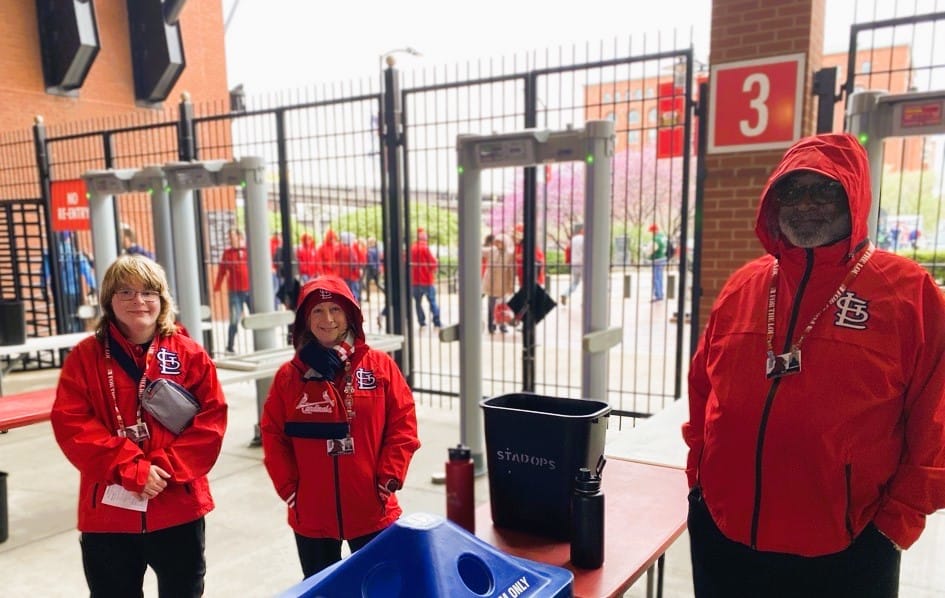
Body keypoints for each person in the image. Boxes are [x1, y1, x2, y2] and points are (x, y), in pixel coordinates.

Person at [683, 133, 945, 598]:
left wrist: (896, 522)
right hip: (723, 536)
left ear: (855, 195)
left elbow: (936, 420)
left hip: (848, 549)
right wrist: (697, 482)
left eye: (825, 189)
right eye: (793, 190)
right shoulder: (743, 285)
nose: (806, 204)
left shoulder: (909, 294)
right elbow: (704, 389)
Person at [50, 254, 228, 597]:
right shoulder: (85, 357)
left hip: (177, 505)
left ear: (162, 300)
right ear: (108, 301)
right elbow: (72, 423)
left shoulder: (189, 354)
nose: (138, 301)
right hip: (109, 511)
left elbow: (211, 423)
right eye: (125, 292)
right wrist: (130, 468)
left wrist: (160, 469)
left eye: (148, 291)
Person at [260, 275, 420, 578]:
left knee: (381, 587)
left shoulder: (380, 366)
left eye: (335, 309)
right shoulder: (289, 376)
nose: (327, 319)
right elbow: (272, 434)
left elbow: (403, 426)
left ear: (350, 315)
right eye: (317, 311)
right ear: (305, 320)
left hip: (373, 507)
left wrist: (387, 480)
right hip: (311, 513)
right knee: (322, 589)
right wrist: (291, 490)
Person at [213, 228, 252, 355]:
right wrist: (217, 287)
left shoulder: (248, 251)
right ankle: (230, 346)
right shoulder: (227, 253)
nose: (230, 239)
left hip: (251, 291)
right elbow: (222, 271)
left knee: (258, 316)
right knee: (234, 319)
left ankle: (262, 343)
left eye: (232, 236)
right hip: (235, 291)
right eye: (229, 237)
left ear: (239, 236)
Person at [409, 228, 442, 328]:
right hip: (427, 280)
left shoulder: (412, 248)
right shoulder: (425, 248)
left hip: (415, 280)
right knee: (432, 301)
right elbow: (433, 263)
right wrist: (436, 263)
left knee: (418, 302)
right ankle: (436, 320)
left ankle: (421, 321)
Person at [482, 234, 515, 334]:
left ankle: (502, 325)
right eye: (497, 242)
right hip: (491, 284)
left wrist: (510, 286)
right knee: (491, 307)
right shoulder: (492, 250)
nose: (497, 244)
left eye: (500, 242)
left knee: (502, 307)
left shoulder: (509, 254)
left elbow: (511, 271)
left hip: (502, 285)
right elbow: (480, 250)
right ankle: (491, 326)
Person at [559, 223, 584, 306]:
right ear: (581, 230)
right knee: (587, 283)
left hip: (574, 264)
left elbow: (567, 251)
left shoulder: (572, 240)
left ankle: (565, 294)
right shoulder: (584, 239)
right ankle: (585, 301)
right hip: (583, 264)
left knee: (575, 283)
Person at [647, 223, 668, 301]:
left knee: (656, 278)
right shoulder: (663, 237)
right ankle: (660, 294)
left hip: (657, 259)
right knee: (660, 277)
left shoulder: (656, 239)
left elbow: (651, 250)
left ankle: (658, 295)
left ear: (654, 231)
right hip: (663, 258)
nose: (651, 234)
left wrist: (646, 253)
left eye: (651, 232)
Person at [362, 237, 383, 303]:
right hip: (377, 268)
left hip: (371, 269)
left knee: (367, 283)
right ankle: (386, 293)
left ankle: (368, 298)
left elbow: (370, 261)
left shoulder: (370, 251)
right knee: (378, 284)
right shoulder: (377, 250)